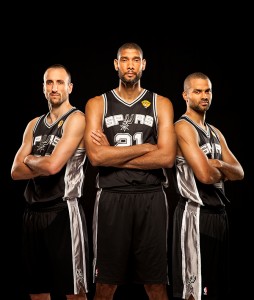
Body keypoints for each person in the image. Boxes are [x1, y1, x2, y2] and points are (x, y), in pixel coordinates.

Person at [83, 42, 177, 300]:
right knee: (105, 285)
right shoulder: (97, 104)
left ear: (143, 65)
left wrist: (111, 156)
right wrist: (148, 147)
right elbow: (96, 156)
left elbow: (167, 157)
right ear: (116, 65)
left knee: (156, 285)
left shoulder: (161, 103)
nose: (130, 65)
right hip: (112, 197)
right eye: (124, 60)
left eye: (136, 60)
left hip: (152, 197)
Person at [11, 64, 89, 300]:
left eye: (59, 82)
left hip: (63, 212)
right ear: (43, 88)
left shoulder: (77, 119)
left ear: (70, 87)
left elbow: (54, 166)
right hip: (33, 214)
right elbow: (15, 171)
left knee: (74, 293)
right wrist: (40, 163)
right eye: (49, 83)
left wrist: (30, 158)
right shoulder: (33, 125)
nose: (54, 88)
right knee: (38, 292)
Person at [172, 72, 244, 300]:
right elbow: (203, 174)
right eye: (197, 91)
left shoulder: (215, 132)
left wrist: (220, 163)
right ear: (185, 95)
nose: (204, 96)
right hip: (194, 215)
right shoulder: (182, 127)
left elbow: (240, 172)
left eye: (207, 91)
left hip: (219, 215)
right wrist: (222, 172)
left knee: (216, 289)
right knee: (193, 292)